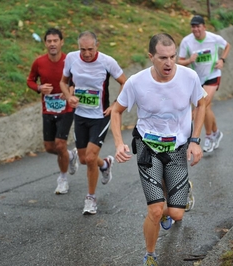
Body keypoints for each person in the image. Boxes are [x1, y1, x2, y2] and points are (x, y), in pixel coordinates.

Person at [110, 33, 206, 266]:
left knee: (175, 214)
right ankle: (150, 255)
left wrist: (195, 140)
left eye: (173, 57)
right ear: (151, 56)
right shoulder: (136, 82)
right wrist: (119, 143)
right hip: (147, 147)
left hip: (177, 148)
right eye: (163, 57)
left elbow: (202, 103)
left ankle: (174, 201)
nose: (169, 63)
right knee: (155, 210)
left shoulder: (189, 77)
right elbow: (116, 111)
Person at [59, 31, 126, 214]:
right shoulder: (72, 58)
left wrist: (115, 105)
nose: (86, 53)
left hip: (100, 117)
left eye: (90, 49)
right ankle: (104, 165)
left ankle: (90, 198)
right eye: (83, 49)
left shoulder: (107, 61)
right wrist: (68, 97)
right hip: (80, 115)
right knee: (83, 158)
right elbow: (63, 82)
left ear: (97, 45)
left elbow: (124, 83)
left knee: (89, 158)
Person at [26, 28, 78, 195]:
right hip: (48, 109)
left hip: (66, 108)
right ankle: (69, 156)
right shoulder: (39, 62)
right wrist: (39, 87)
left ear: (62, 42)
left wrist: (70, 91)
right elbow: (30, 80)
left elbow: (79, 80)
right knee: (49, 147)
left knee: (60, 144)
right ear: (45, 43)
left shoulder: (70, 61)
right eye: (49, 41)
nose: (52, 44)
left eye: (56, 40)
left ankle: (62, 179)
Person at [178, 15, 230, 153]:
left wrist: (222, 60)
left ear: (204, 27)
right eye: (193, 27)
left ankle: (208, 137)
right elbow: (179, 61)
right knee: (206, 107)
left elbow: (227, 46)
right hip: (197, 79)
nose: (195, 29)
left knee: (204, 102)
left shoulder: (213, 38)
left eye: (198, 26)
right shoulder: (187, 41)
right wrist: (190, 60)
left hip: (213, 75)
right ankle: (216, 132)